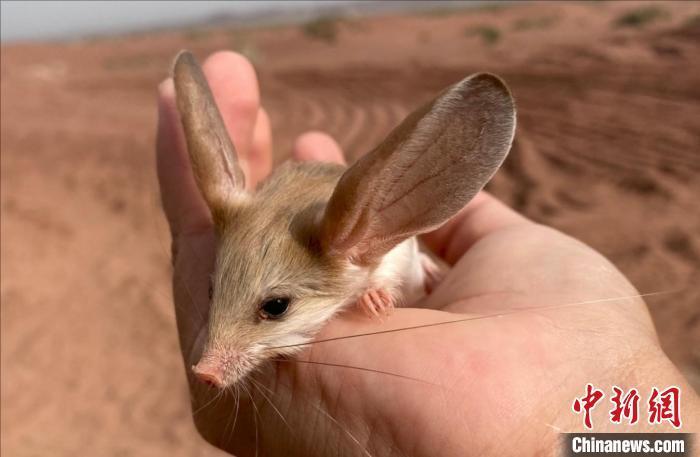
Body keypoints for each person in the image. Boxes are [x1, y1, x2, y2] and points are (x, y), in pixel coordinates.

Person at [156, 51, 699, 456]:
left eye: (274, 308)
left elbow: (392, 258)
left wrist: (381, 285)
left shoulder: (360, 241)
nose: (210, 358)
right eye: (213, 291)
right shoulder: (248, 225)